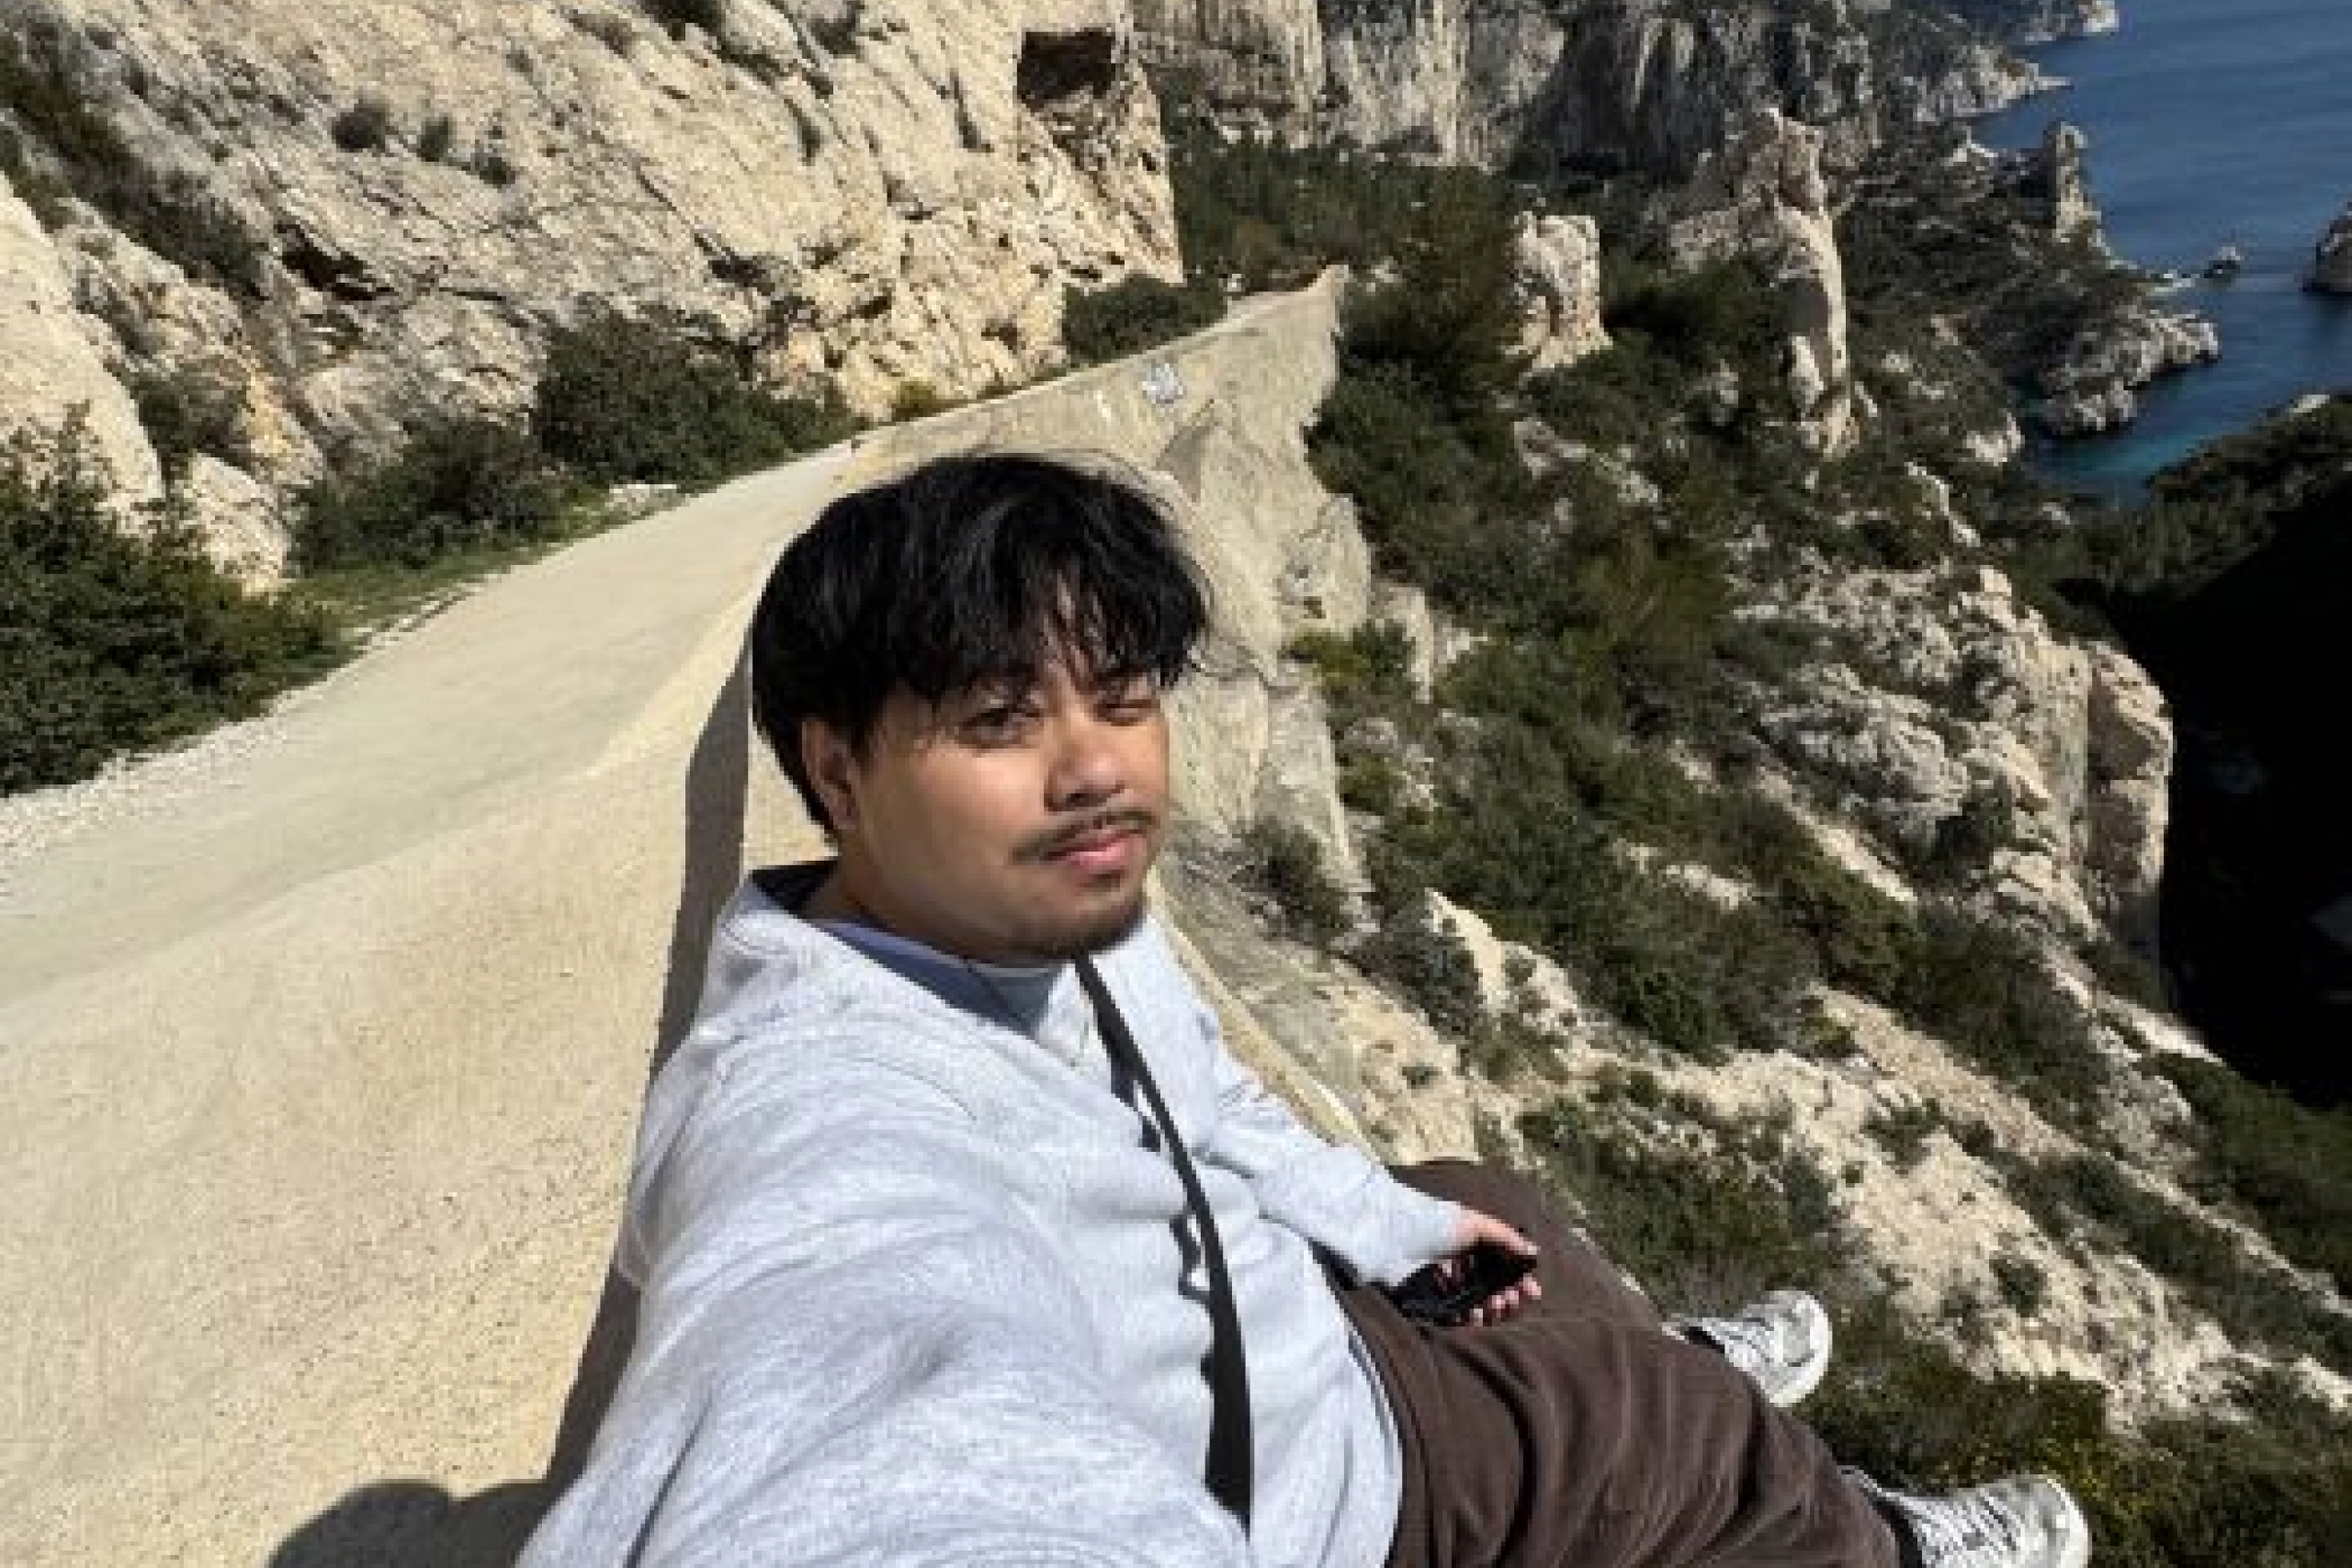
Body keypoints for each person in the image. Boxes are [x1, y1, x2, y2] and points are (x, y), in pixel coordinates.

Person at [522, 453, 2091, 1568]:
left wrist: (1393, 1230)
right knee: (1672, 1425)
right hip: (1335, 1503)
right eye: (1001, 720)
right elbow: (853, 1379)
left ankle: (1643, 1369)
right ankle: (1860, 1532)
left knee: (1479, 1200)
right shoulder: (817, 1098)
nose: (1097, 769)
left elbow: (1202, 1106)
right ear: (838, 766)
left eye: (1123, 700)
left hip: (1291, 1363)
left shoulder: (1032, 907)